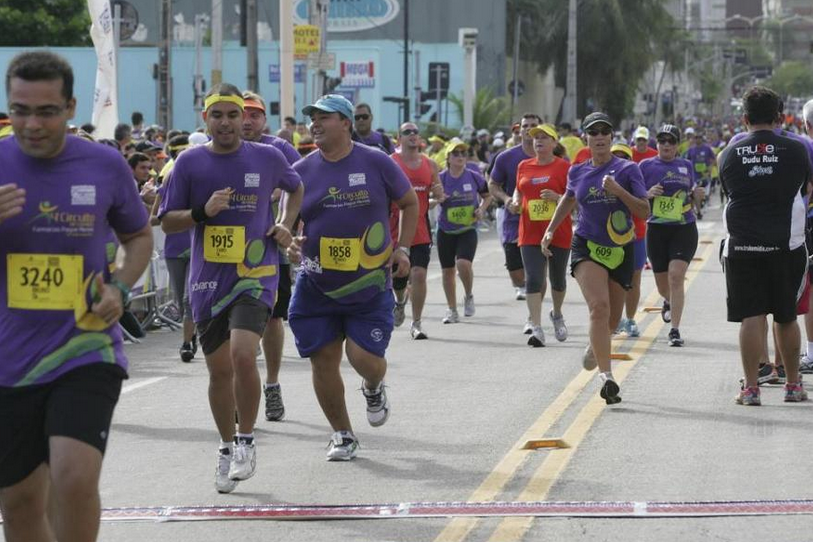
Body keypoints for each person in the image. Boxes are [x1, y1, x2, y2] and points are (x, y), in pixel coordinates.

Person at [0, 50, 153, 542]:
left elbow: (139, 236)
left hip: (85, 347)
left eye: (46, 111)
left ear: (69, 107)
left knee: (74, 476)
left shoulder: (104, 164)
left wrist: (123, 287)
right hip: (9, 358)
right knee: (20, 501)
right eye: (20, 109)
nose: (32, 123)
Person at [159, 83, 304, 492]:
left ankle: (245, 440)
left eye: (233, 115)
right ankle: (225, 446)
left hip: (256, 273)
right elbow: (167, 220)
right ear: (205, 119)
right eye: (217, 115)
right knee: (219, 371)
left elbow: (296, 188)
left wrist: (285, 224)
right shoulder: (189, 163)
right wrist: (204, 212)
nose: (225, 122)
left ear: (245, 119)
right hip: (208, 279)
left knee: (243, 355)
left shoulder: (268, 156)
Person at [287, 94, 418, 461]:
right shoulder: (301, 171)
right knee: (323, 359)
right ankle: (342, 434)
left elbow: (409, 203)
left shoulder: (375, 162)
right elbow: (288, 223)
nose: (314, 123)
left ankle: (373, 385)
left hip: (369, 283)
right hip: (317, 283)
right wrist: (291, 244)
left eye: (323, 118)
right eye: (311, 117)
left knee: (364, 358)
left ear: (345, 123)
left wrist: (403, 248)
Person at [542, 112, 649, 404]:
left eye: (604, 131)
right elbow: (568, 198)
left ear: (611, 137)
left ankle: (595, 347)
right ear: (586, 138)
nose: (599, 137)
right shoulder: (577, 171)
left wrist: (618, 191)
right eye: (594, 132)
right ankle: (607, 376)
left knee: (612, 322)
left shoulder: (628, 170)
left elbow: (644, 211)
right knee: (598, 308)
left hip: (621, 249)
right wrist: (550, 229)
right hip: (587, 245)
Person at [719, 86, 811, 406]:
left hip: (742, 245)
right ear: (779, 117)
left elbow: (729, 191)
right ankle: (793, 386)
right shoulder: (797, 149)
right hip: (786, 244)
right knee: (785, 316)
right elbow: (806, 187)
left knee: (751, 315)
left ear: (744, 119)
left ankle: (752, 388)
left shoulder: (729, 153)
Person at [240, 90, 301, 421]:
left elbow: (301, 184)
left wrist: (286, 224)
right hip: (226, 255)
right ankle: (240, 390)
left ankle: (272, 383)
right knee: (230, 327)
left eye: (255, 114)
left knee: (273, 319)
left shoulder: (278, 149)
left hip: (268, 249)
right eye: (242, 113)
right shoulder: (216, 150)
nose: (247, 120)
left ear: (264, 120)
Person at [639, 124, 703, 346]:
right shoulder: (645, 166)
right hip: (656, 229)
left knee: (676, 276)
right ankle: (667, 300)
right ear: (656, 143)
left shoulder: (686, 165)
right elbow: (636, 197)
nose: (666, 145)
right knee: (662, 284)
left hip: (683, 227)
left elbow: (694, 197)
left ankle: (675, 330)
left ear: (677, 145)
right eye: (662, 141)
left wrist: (698, 196)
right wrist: (647, 194)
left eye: (671, 141)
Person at [512, 124, 571, 347]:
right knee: (534, 278)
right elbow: (519, 188)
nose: (538, 141)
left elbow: (572, 198)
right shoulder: (523, 166)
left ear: (554, 143)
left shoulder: (564, 168)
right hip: (530, 232)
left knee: (558, 280)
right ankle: (536, 327)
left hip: (558, 230)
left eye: (545, 138)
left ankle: (556, 314)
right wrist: (516, 200)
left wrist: (558, 197)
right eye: (536, 138)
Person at [390, 122, 445, 339]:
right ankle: (400, 300)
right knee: (399, 276)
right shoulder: (390, 162)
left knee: (419, 274)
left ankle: (417, 323)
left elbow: (437, 194)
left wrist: (438, 195)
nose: (412, 135)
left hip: (420, 228)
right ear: (399, 138)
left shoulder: (430, 164)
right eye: (407, 132)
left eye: (415, 132)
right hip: (394, 228)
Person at [150, 135, 198, 363]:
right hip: (174, 249)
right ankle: (193, 332)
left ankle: (186, 343)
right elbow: (155, 218)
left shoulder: (204, 179)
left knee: (190, 299)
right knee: (181, 301)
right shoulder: (168, 181)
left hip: (198, 247)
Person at [437, 138, 492, 323]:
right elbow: (430, 200)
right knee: (448, 271)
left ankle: (468, 295)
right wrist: (438, 199)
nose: (460, 157)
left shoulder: (474, 175)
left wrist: (482, 210)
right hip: (445, 230)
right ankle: (451, 310)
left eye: (463, 153)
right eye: (456, 154)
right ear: (448, 158)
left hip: (468, 229)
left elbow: (487, 196)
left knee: (463, 264)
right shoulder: (441, 178)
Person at [489, 113, 541, 309]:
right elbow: (493, 184)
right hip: (514, 219)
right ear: (519, 130)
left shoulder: (552, 156)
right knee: (516, 273)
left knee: (536, 274)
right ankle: (527, 290)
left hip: (541, 221)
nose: (528, 129)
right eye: (525, 125)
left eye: (533, 125)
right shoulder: (506, 157)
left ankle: (533, 318)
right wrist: (506, 199)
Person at [610, 143, 647, 338]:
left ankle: (630, 319)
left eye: (623, 156)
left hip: (636, 236)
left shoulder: (634, 177)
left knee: (633, 280)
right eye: (615, 155)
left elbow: (643, 207)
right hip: (608, 238)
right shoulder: (602, 179)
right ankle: (613, 320)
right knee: (611, 282)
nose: (619, 160)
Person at [684, 131, 715, 219]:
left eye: (699, 137)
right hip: (694, 176)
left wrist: (709, 168)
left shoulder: (707, 148)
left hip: (705, 175)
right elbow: (686, 161)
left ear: (702, 139)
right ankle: (698, 212)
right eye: (696, 137)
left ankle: (701, 205)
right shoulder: (691, 149)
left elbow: (713, 159)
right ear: (694, 139)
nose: (698, 139)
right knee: (696, 192)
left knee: (705, 194)